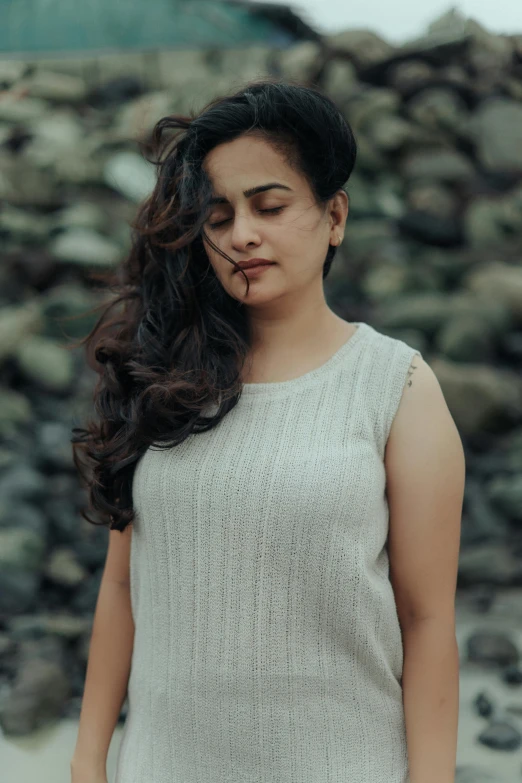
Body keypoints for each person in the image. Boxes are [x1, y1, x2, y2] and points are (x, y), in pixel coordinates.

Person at [70, 79, 464, 783]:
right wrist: (87, 761)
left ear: (334, 215)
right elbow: (123, 586)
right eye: (217, 217)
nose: (241, 235)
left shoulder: (396, 387)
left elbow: (427, 618)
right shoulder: (163, 378)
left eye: (270, 206)